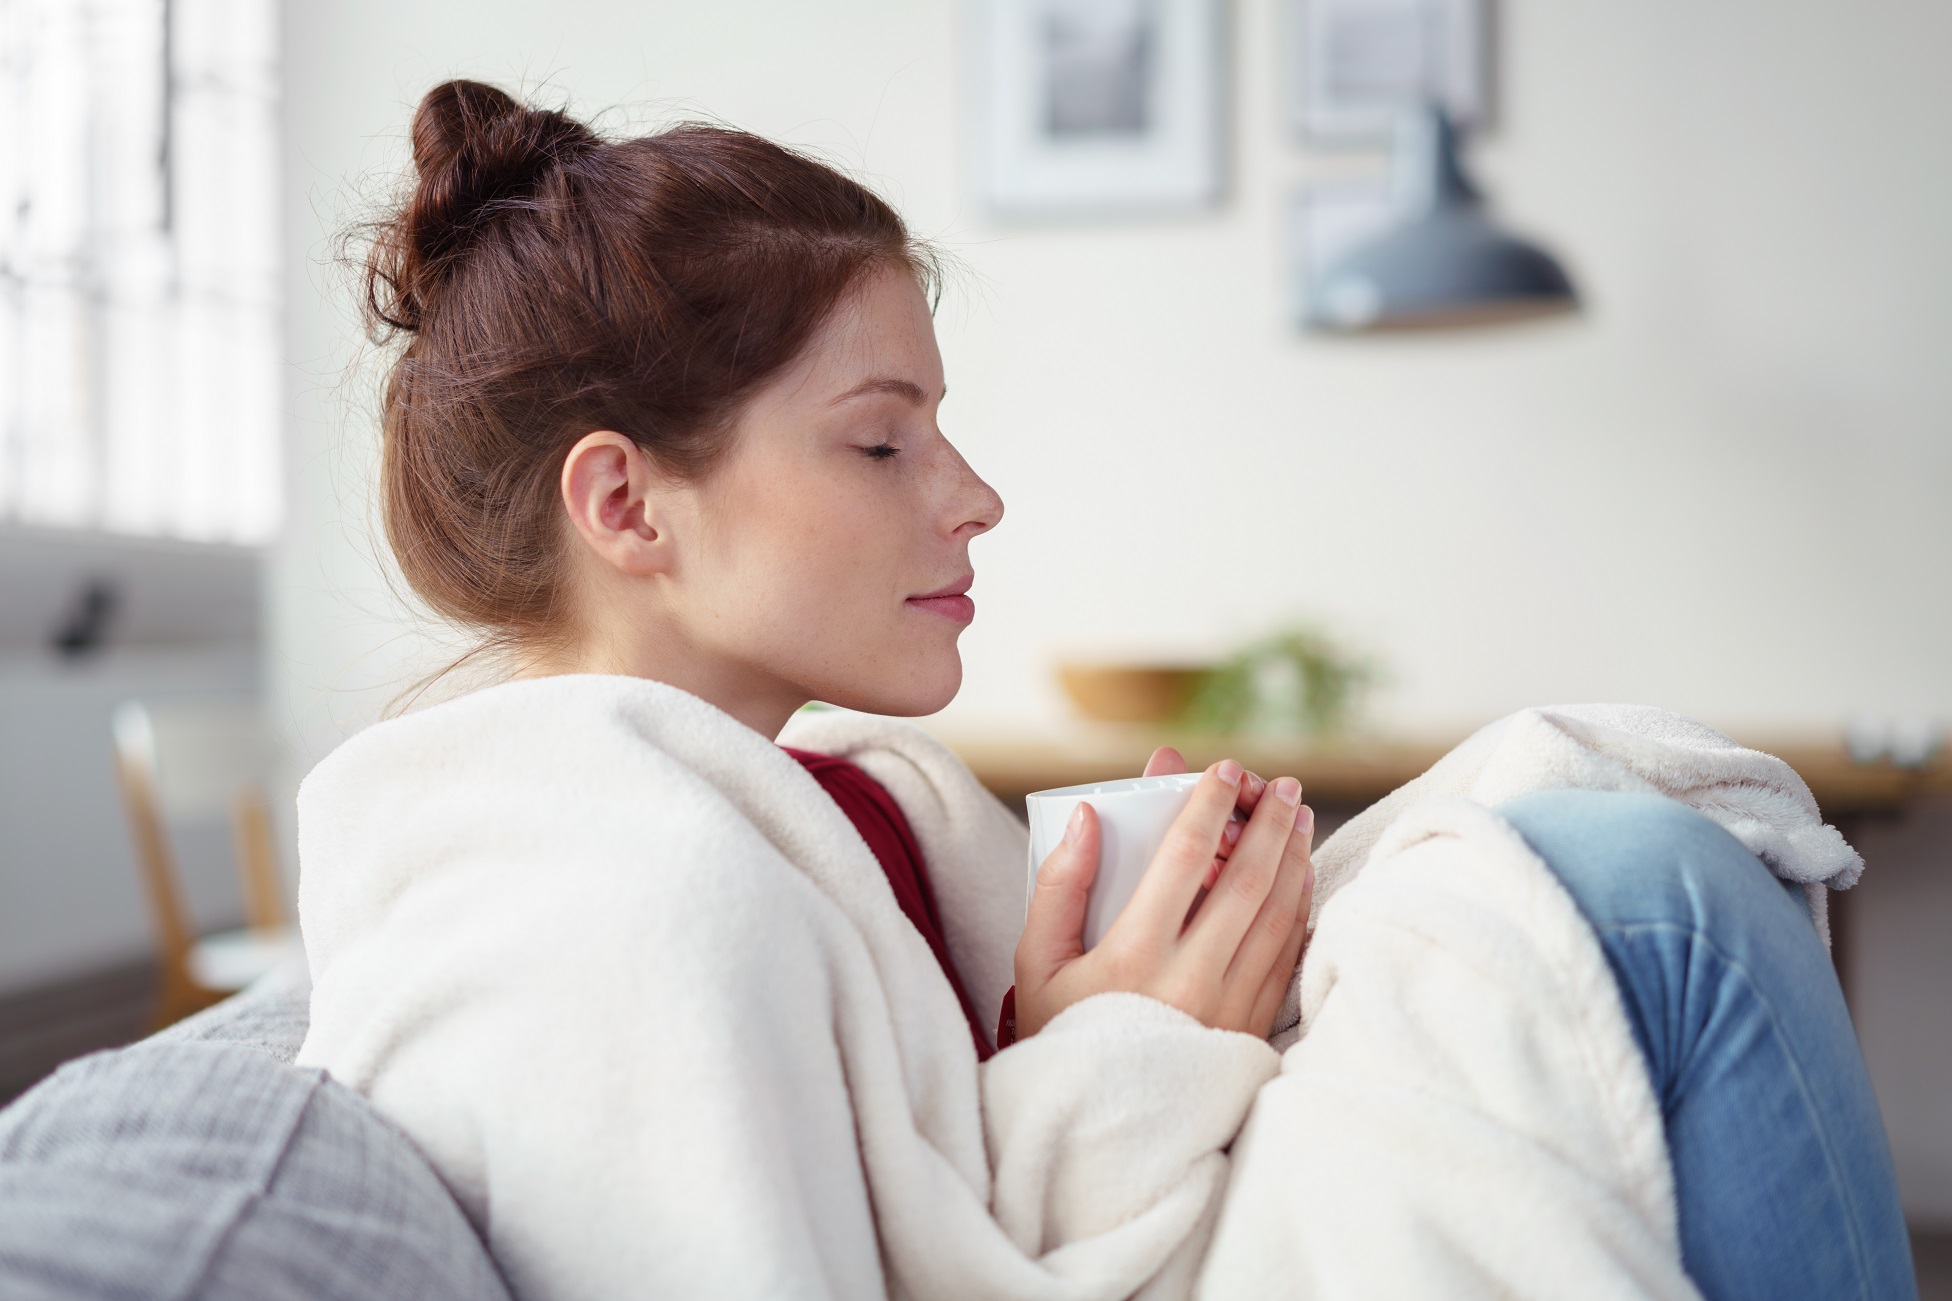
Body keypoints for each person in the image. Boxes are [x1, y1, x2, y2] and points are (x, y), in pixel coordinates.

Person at [295, 81, 1915, 1300]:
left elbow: (957, 1152)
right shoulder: (609, 915)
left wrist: (1144, 982)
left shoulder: (821, 801)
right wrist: (1119, 1055)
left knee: (1641, 888)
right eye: (881, 440)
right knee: (1661, 912)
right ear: (629, 504)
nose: (974, 495)